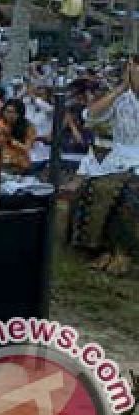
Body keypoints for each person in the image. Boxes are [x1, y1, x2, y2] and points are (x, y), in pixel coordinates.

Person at [70, 60, 139, 274]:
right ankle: (101, 249)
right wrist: (120, 89)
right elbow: (91, 116)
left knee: (127, 193)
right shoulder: (122, 99)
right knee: (94, 186)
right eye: (135, 70)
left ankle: (123, 252)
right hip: (119, 158)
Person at [0, 98, 37, 173]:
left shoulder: (29, 127)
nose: (9, 115)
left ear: (20, 114)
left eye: (13, 112)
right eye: (7, 111)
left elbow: (27, 148)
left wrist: (10, 140)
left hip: (19, 166)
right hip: (0, 163)